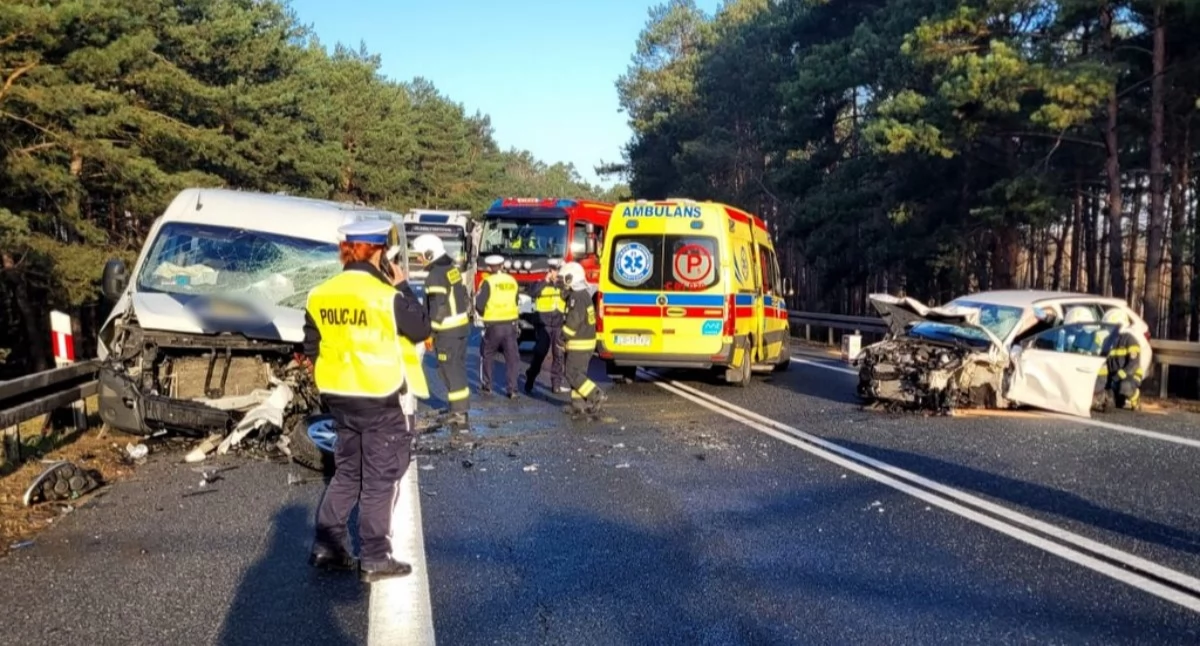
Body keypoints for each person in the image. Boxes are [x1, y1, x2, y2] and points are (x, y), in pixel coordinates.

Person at [301, 220, 430, 583]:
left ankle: (327, 546)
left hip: (339, 396)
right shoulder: (386, 296)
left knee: (347, 473)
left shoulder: (320, 294)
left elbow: (312, 346)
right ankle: (375, 557)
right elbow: (421, 328)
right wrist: (403, 285)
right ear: (379, 253)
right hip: (378, 395)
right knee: (379, 479)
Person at [412, 233, 471, 427]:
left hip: (447, 331)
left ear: (430, 254)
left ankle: (458, 413)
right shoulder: (451, 269)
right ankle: (459, 409)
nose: (418, 259)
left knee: (449, 371)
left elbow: (439, 308)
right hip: (460, 329)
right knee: (457, 369)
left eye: (420, 255)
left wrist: (430, 334)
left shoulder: (435, 275)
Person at [559, 261, 607, 415]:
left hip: (579, 342)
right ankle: (577, 404)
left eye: (564, 279)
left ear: (570, 279)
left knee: (572, 374)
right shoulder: (582, 294)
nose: (562, 283)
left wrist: (563, 336)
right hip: (585, 341)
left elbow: (574, 320)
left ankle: (596, 395)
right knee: (578, 374)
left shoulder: (577, 297)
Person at [475, 255, 521, 398]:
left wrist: (483, 315)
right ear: (502, 265)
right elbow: (516, 300)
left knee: (487, 354)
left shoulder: (488, 282)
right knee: (512, 357)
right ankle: (512, 389)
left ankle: (487, 386)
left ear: (490, 267)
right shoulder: (512, 281)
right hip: (511, 324)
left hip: (493, 324)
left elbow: (479, 305)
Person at [524, 258, 568, 395]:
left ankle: (556, 384)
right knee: (540, 353)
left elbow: (568, 296)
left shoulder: (563, 285)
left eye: (558, 271)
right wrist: (546, 281)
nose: (556, 273)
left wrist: (560, 284)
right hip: (544, 325)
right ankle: (530, 378)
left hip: (558, 324)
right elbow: (532, 293)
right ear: (549, 271)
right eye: (553, 270)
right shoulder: (540, 283)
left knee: (558, 355)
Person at [1099, 308, 1144, 410]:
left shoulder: (1130, 340)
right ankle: (1120, 398)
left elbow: (1134, 363)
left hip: (1131, 374)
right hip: (1114, 376)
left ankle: (1135, 397)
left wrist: (1120, 374)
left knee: (1125, 387)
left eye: (1111, 326)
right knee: (1111, 401)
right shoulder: (1107, 341)